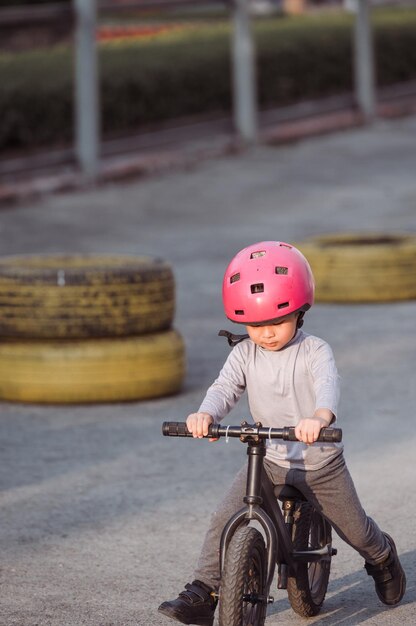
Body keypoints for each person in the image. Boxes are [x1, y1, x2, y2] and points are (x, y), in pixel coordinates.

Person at [158, 241, 406, 626]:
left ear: (299, 312)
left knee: (355, 530)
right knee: (224, 518)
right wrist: (205, 414)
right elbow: (224, 389)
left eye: (276, 322)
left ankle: (382, 558)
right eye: (255, 325)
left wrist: (320, 418)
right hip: (270, 459)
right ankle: (204, 592)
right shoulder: (244, 354)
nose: (266, 334)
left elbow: (327, 385)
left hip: (319, 463)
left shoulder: (314, 351)